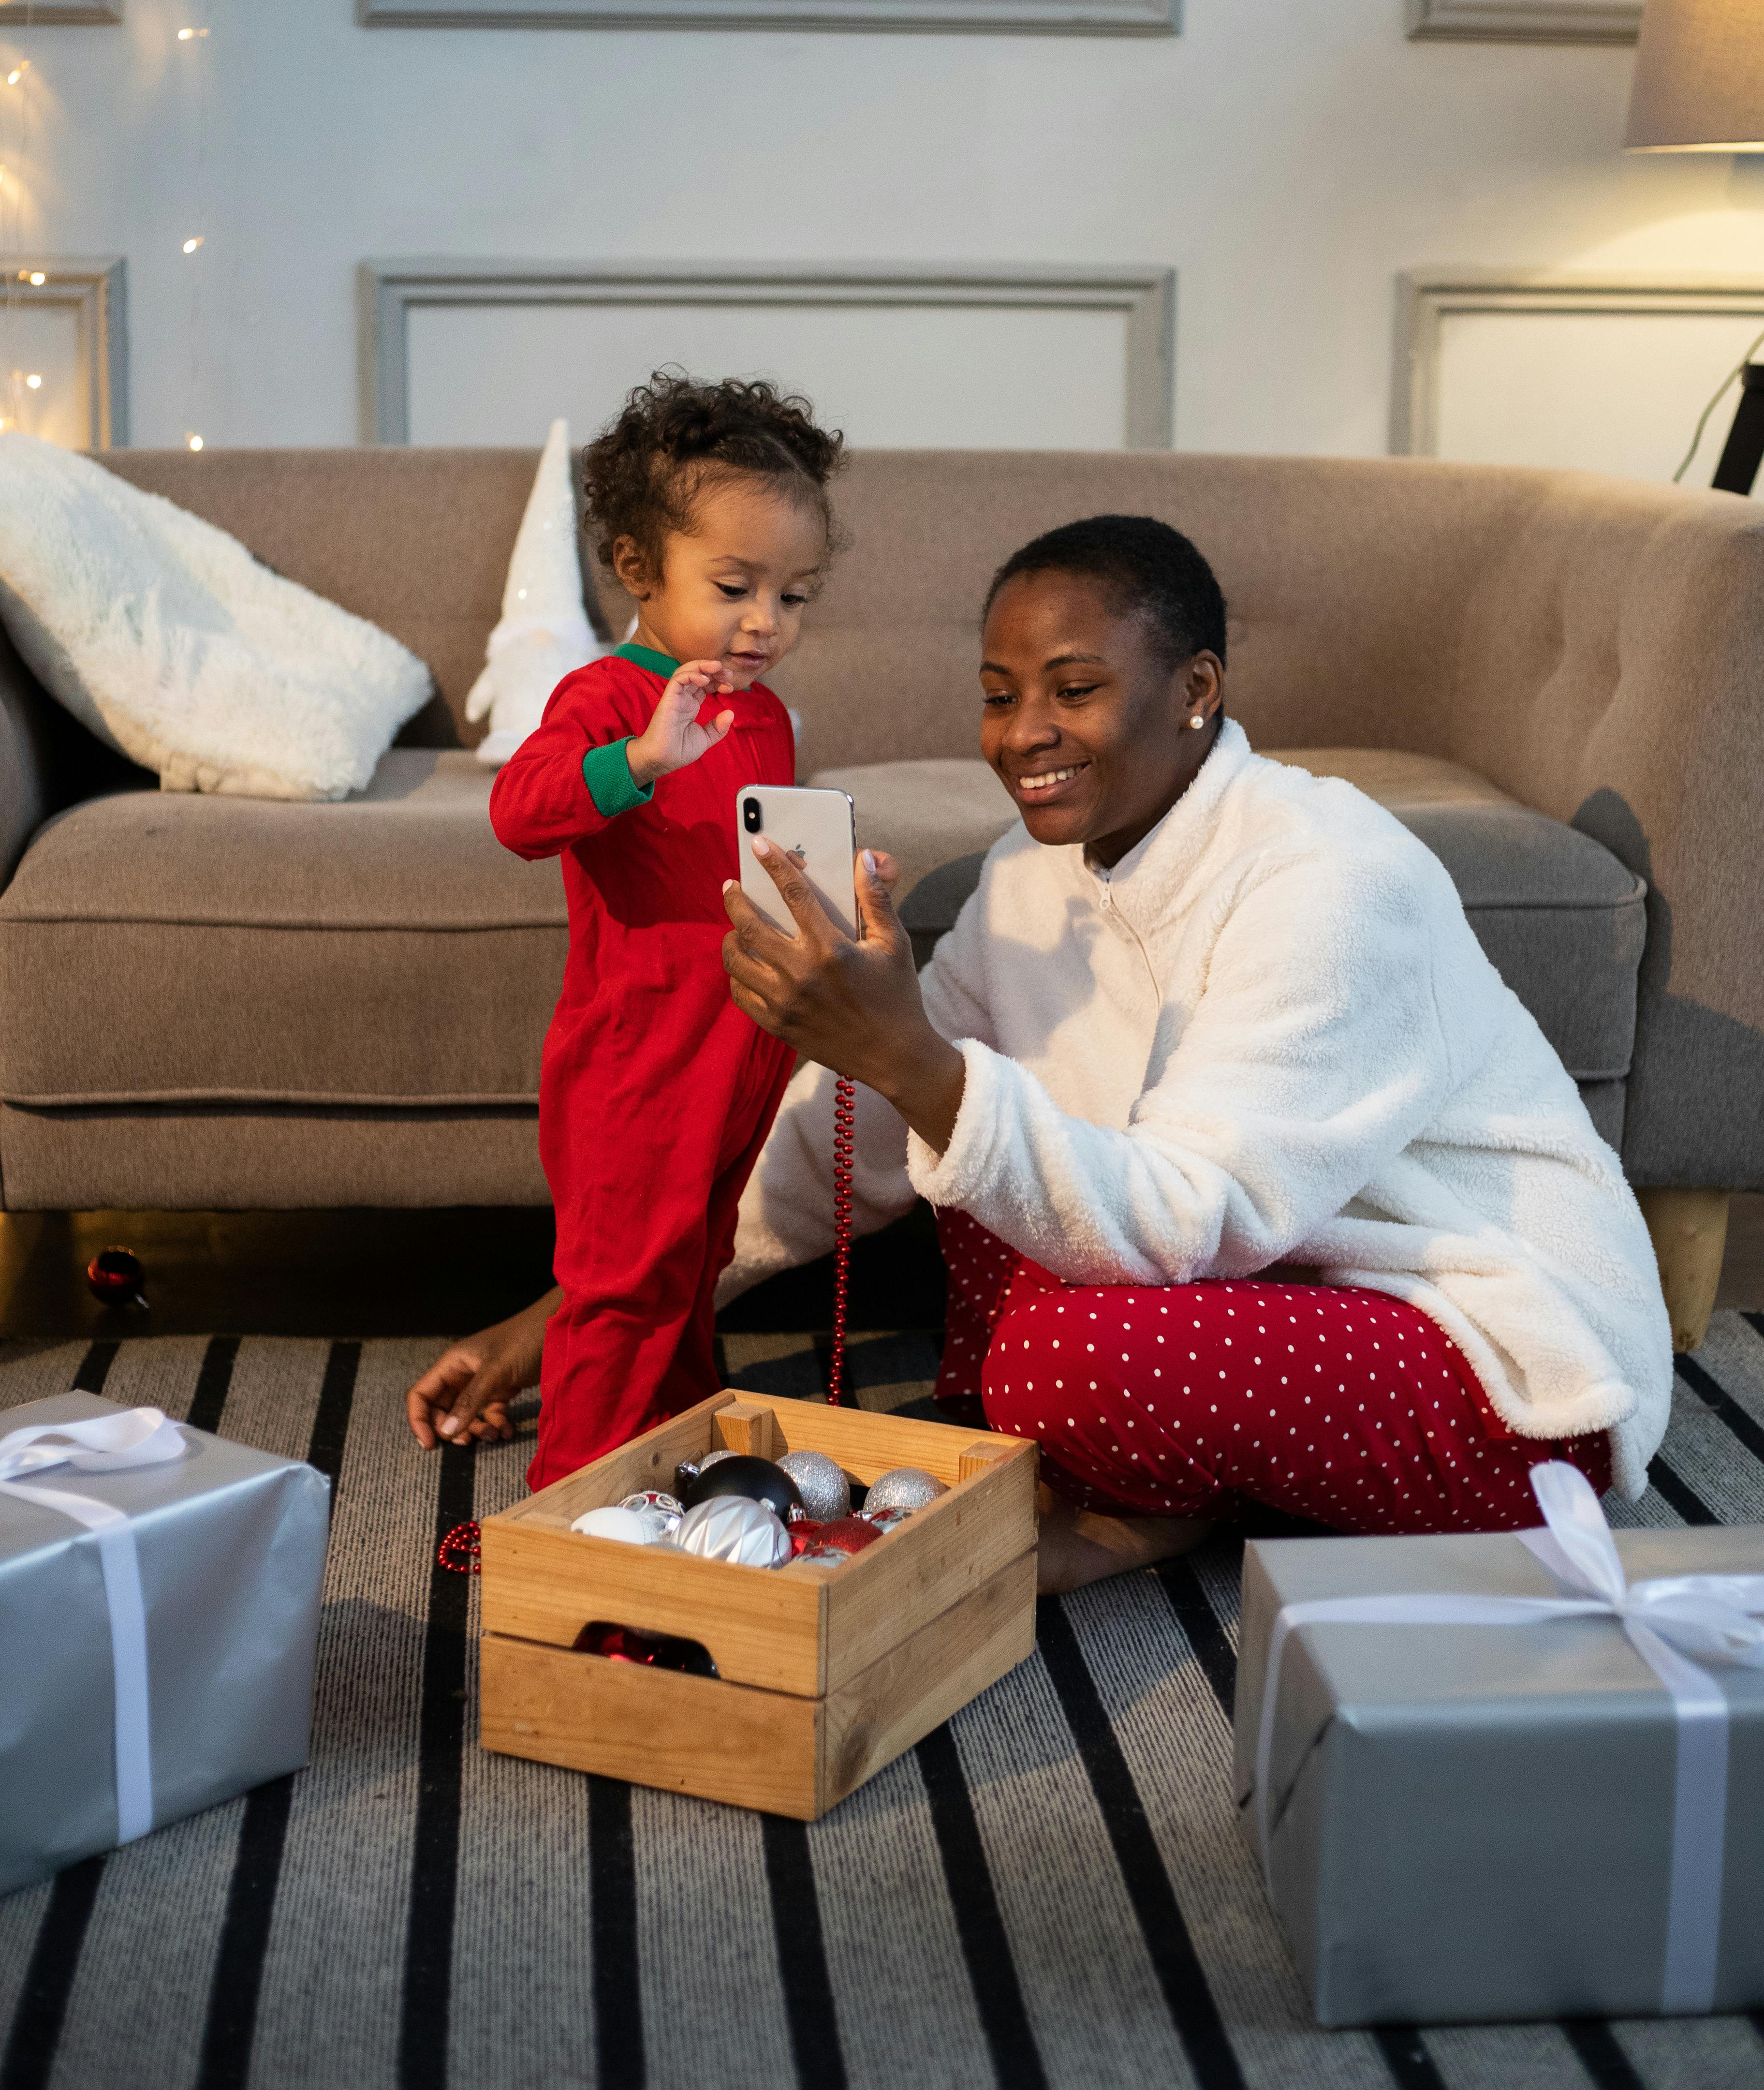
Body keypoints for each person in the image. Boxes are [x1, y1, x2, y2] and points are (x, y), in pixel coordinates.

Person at [412, 512, 1672, 1602]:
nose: (1023, 736)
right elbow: (838, 1145)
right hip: (1244, 1273)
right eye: (999, 692)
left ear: (1196, 688)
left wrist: (904, 1049)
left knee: (1060, 1350)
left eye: (1073, 690)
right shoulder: (1033, 876)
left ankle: (1156, 1508)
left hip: (1489, 1359)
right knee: (966, 1159)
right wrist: (580, 1308)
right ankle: (1156, 1478)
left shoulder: (1328, 879)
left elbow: (1190, 1220)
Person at [411, 372, 843, 1489]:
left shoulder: (764, 713)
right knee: (622, 1286)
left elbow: (748, 860)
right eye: (737, 586)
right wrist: (644, 760)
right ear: (641, 571)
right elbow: (520, 812)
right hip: (637, 1059)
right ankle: (577, 1512)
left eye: (796, 598)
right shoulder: (608, 697)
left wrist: (826, 896)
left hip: (741, 1045)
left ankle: (673, 1456)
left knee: (691, 1267)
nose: (766, 623)